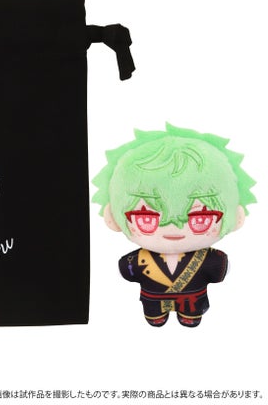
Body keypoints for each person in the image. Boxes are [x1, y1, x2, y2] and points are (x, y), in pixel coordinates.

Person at [92, 123, 255, 327]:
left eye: (201, 218)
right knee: (154, 311)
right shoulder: (141, 259)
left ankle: (189, 316)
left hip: (191, 302)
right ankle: (157, 316)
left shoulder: (206, 259)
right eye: (146, 218)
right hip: (155, 302)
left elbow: (126, 271)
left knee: (190, 311)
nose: (174, 228)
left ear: (236, 217)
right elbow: (126, 270)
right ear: (113, 218)